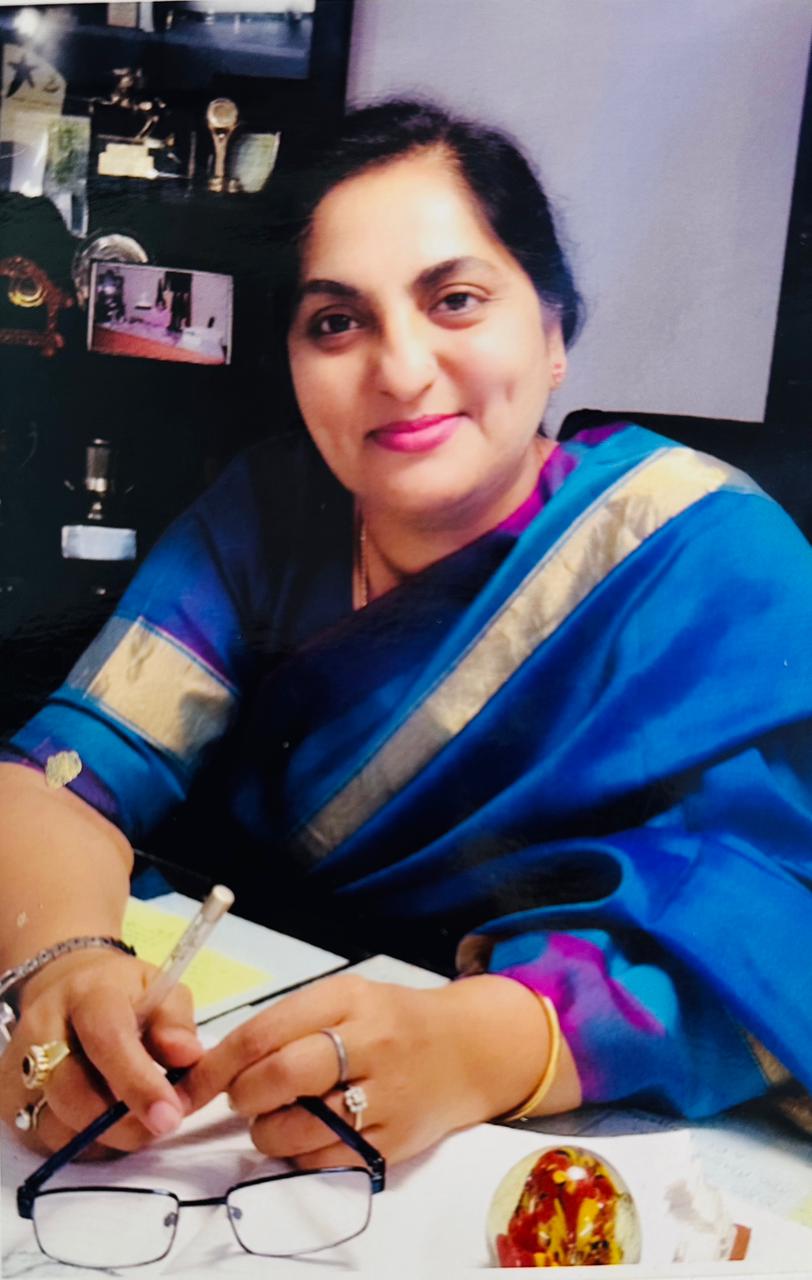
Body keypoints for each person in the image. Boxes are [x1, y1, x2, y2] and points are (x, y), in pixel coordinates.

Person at [2, 99, 812, 1170]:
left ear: (554, 333)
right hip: (223, 1112)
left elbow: (777, 917)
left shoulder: (706, 557)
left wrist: (489, 1044)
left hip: (566, 1148)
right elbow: (63, 777)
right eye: (336, 322)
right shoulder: (265, 518)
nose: (399, 368)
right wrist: (63, 965)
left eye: (455, 300)